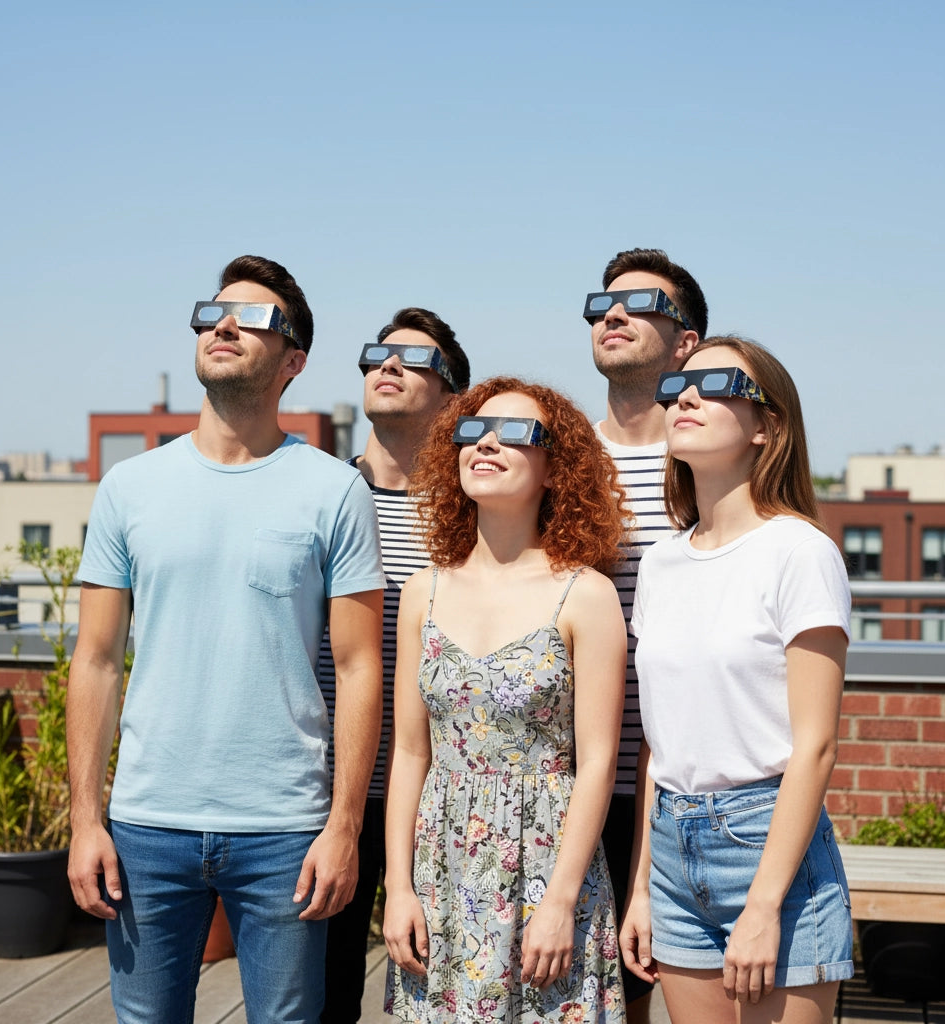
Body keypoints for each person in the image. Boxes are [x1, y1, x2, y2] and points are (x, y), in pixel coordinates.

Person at [66, 255, 386, 1024]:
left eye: (255, 317)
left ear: (294, 361)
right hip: (147, 825)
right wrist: (85, 822)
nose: (225, 324)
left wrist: (344, 826)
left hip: (284, 830)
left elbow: (360, 664)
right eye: (213, 311)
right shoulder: (130, 489)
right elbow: (97, 660)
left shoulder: (335, 490)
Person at [620, 336, 854, 1022]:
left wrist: (763, 905)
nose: (684, 396)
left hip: (768, 845)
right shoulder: (662, 565)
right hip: (671, 845)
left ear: (766, 426)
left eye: (716, 384)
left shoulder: (799, 552)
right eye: (676, 388)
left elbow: (815, 747)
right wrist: (641, 887)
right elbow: (656, 746)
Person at [383, 377, 629, 1023]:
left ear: (555, 469)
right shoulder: (422, 592)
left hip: (547, 865)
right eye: (472, 430)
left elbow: (598, 762)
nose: (486, 443)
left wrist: (559, 901)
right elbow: (410, 752)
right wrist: (400, 887)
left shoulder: (585, 594)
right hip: (442, 868)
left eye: (517, 433)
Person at [317, 307, 470, 1023]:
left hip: (435, 789)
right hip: (325, 787)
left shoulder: (474, 514)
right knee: (321, 988)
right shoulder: (316, 494)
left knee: (439, 986)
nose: (388, 365)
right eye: (379, 354)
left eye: (415, 360)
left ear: (453, 398)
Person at [585, 247, 707, 1023]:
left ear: (686, 342)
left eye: (640, 305)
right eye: (601, 306)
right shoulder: (563, 459)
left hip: (682, 773)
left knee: (664, 987)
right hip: (573, 774)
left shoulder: (710, 455)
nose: (613, 315)